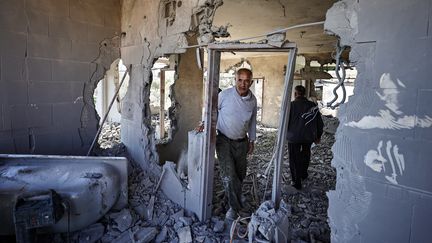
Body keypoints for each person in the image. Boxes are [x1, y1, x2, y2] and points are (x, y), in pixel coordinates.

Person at [197, 68, 257, 220]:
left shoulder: (253, 100)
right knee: (229, 175)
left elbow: (252, 121)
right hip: (223, 139)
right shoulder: (224, 95)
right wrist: (204, 122)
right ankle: (234, 208)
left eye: (246, 81)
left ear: (251, 82)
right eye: (240, 80)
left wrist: (252, 140)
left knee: (240, 174)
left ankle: (227, 199)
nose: (243, 84)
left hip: (242, 142)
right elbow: (212, 110)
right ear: (235, 80)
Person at [286, 85, 323, 190]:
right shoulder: (312, 105)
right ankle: (303, 174)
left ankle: (296, 181)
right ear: (305, 94)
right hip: (308, 137)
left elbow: (285, 122)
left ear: (295, 94)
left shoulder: (291, 105)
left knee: (294, 159)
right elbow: (319, 122)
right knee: (306, 155)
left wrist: (284, 135)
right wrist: (318, 136)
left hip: (293, 137)